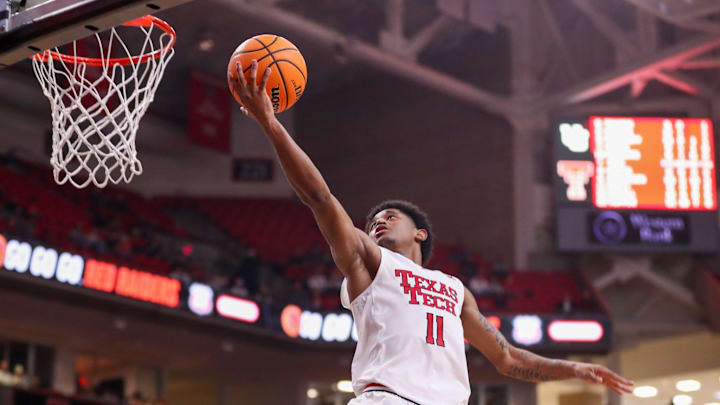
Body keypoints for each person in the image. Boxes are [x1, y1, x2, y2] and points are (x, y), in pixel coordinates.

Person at [229, 60, 635, 405]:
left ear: (420, 233)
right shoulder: (371, 263)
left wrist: (575, 367)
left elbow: (508, 359)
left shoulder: (456, 290)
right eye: (373, 222)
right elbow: (318, 197)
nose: (378, 223)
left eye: (389, 216)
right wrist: (270, 123)